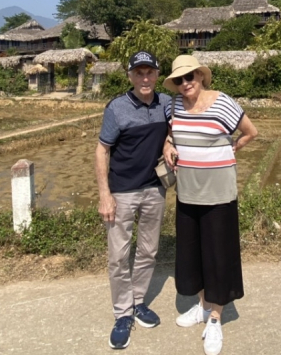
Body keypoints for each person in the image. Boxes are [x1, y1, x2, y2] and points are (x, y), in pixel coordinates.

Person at [162, 55, 258, 355]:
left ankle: (216, 317)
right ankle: (202, 306)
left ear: (201, 76)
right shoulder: (175, 105)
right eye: (179, 79)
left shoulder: (223, 103)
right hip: (187, 192)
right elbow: (170, 133)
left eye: (190, 76)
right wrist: (168, 144)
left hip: (218, 193)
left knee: (218, 254)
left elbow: (250, 132)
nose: (185, 83)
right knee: (194, 253)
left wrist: (231, 149)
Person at [94, 51, 171, 350]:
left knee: (149, 251)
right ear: (130, 76)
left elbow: (175, 129)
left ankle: (138, 302)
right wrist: (105, 194)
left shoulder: (166, 103)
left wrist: (169, 143)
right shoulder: (117, 108)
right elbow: (102, 150)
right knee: (118, 255)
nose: (145, 78)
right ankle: (122, 313)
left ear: (157, 74)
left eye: (149, 72)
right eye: (138, 73)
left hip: (155, 188)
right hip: (122, 191)